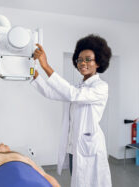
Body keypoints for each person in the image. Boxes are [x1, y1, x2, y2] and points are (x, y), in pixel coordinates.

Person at [31, 34, 112, 187]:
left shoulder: (101, 87)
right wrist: (33, 75)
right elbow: (51, 92)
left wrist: (46, 66)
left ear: (99, 63)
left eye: (88, 59)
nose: (83, 63)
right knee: (78, 181)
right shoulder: (79, 86)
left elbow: (73, 95)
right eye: (80, 59)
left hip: (89, 148)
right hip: (74, 147)